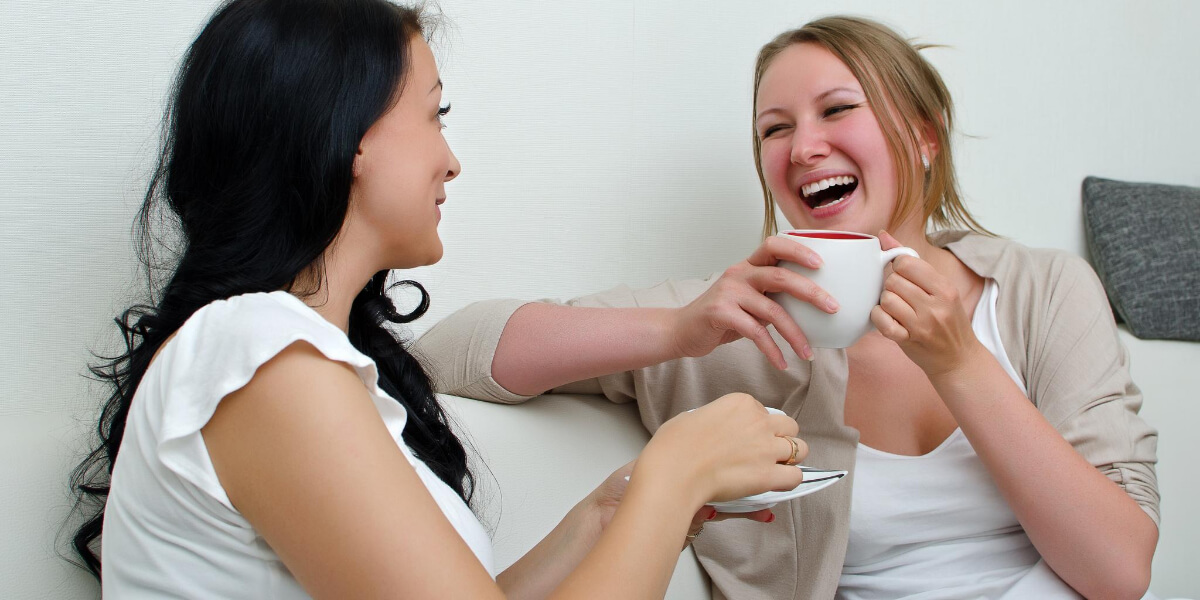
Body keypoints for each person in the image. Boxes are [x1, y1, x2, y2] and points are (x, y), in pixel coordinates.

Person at [65, 1, 812, 597]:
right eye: (434, 115)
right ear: (348, 132)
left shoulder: (295, 361)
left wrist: (613, 511)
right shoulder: (260, 357)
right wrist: (675, 473)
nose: (450, 162)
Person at [414, 15, 1160, 600]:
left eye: (837, 110)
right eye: (775, 128)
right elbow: (446, 354)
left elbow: (1120, 571)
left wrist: (960, 363)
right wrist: (678, 329)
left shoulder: (1044, 291)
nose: (803, 148)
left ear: (924, 138)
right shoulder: (730, 324)